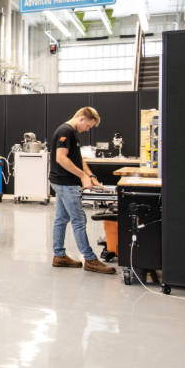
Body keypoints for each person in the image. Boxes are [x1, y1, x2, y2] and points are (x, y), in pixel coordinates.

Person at [49, 106, 115, 274]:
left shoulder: (72, 132)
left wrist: (90, 176)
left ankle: (59, 256)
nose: (87, 129)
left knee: (61, 219)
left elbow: (78, 159)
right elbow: (61, 158)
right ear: (81, 118)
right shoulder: (65, 131)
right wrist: (82, 176)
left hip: (63, 182)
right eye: (88, 126)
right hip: (65, 183)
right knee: (79, 220)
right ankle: (90, 260)